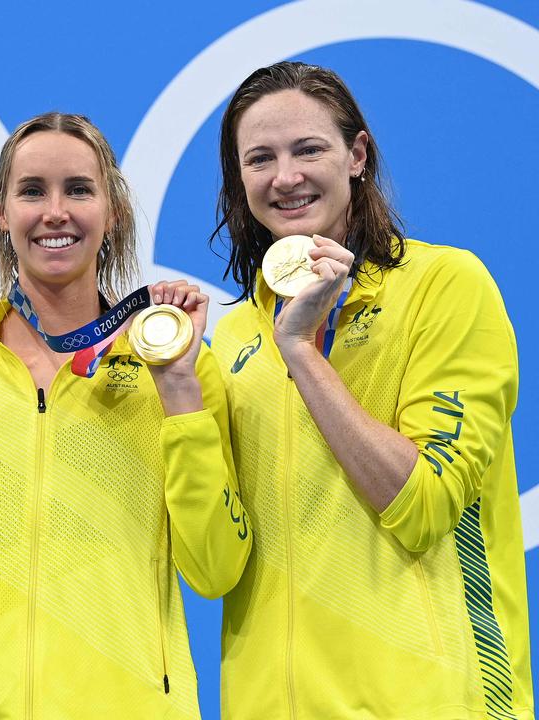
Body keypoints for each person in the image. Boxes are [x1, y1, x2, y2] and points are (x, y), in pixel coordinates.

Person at [0, 112, 251, 718]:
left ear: (111, 213)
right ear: (0, 214)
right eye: (32, 191)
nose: (55, 211)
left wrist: (179, 390)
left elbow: (216, 568)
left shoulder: (178, 365)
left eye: (79, 190)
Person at [210, 61, 532, 719]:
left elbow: (423, 504)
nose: (286, 176)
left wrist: (300, 349)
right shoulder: (235, 335)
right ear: (240, 181)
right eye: (260, 159)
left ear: (357, 155)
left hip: (429, 704)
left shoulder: (447, 286)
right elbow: (219, 557)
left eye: (308, 149)